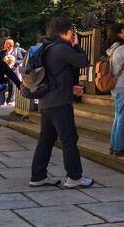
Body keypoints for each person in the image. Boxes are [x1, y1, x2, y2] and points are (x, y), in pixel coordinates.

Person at [28, 17, 93, 189]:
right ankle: (74, 177)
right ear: (65, 32)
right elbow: (83, 61)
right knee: (69, 139)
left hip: (46, 101)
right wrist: (76, 45)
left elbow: (54, 76)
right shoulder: (62, 48)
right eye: (72, 31)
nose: (73, 34)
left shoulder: (47, 48)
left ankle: (38, 176)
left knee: (46, 139)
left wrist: (70, 87)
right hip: (60, 103)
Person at [106, 24, 124, 156]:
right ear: (119, 34)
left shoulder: (112, 49)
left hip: (115, 86)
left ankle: (114, 145)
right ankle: (119, 147)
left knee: (118, 116)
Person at [0, 37, 22, 104]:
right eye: (5, 44)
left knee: (11, 85)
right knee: (2, 85)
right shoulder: (2, 52)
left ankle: (10, 100)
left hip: (13, 71)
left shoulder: (17, 51)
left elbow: (21, 60)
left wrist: (14, 62)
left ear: (10, 45)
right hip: (3, 72)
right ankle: (1, 100)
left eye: (6, 44)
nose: (4, 45)